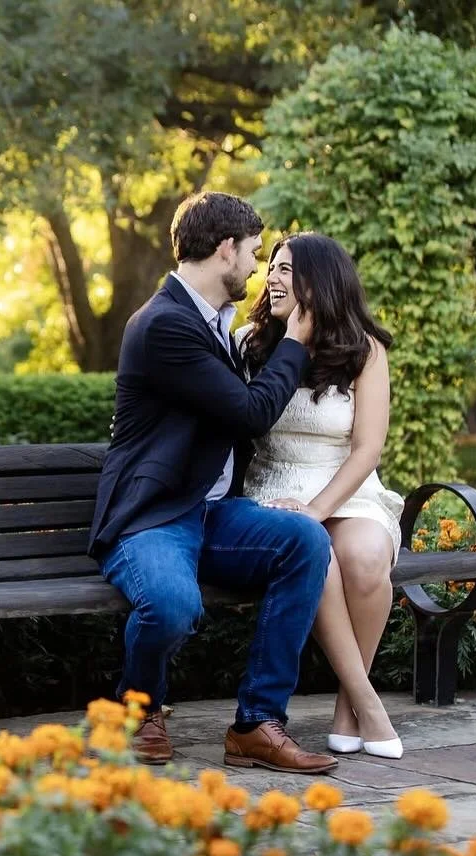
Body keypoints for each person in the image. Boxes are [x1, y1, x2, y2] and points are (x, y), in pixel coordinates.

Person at [89, 191, 338, 774]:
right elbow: (251, 412)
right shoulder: (165, 325)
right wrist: (296, 342)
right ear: (226, 248)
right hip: (152, 516)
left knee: (305, 540)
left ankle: (257, 724)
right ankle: (138, 708)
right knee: (173, 605)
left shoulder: (214, 323)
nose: (256, 267)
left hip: (212, 512)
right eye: (253, 251)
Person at [238, 232, 404, 759]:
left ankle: (346, 707)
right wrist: (303, 515)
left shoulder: (364, 350)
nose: (272, 278)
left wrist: (317, 509)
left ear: (321, 282)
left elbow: (367, 448)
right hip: (276, 486)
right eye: (271, 267)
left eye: (286, 269)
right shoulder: (249, 344)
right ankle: (367, 702)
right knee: (318, 556)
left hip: (346, 488)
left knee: (367, 557)